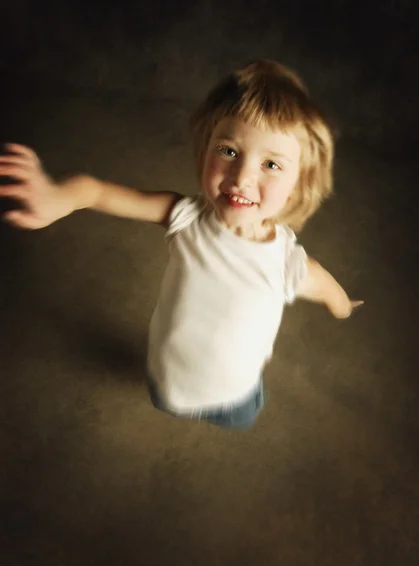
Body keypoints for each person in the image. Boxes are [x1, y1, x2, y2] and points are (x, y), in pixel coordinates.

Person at [0, 59, 363, 430]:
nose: (242, 177)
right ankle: (176, 399)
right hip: (167, 376)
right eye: (229, 151)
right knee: (166, 402)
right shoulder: (185, 216)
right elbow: (98, 192)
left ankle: (238, 406)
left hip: (235, 391)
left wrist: (343, 306)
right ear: (206, 150)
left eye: (271, 164)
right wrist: (59, 196)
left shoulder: (287, 264)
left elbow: (326, 287)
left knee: (241, 418)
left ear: (297, 187)